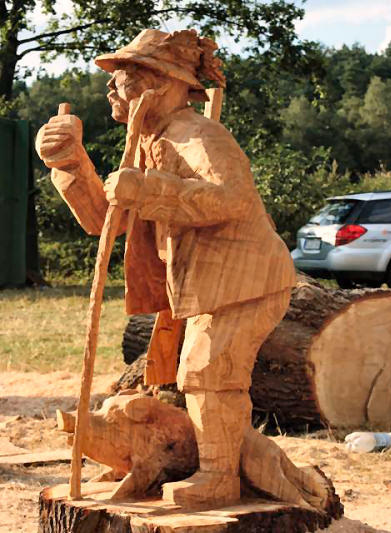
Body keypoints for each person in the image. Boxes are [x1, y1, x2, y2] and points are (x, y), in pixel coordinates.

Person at [36, 28, 296, 508]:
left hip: (248, 278)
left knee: (207, 370)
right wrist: (70, 164)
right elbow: (106, 221)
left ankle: (219, 478)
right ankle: (218, 465)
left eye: (125, 76)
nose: (111, 88)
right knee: (201, 373)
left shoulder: (197, 134)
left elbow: (234, 199)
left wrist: (149, 190)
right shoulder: (148, 142)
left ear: (162, 83)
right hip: (211, 286)